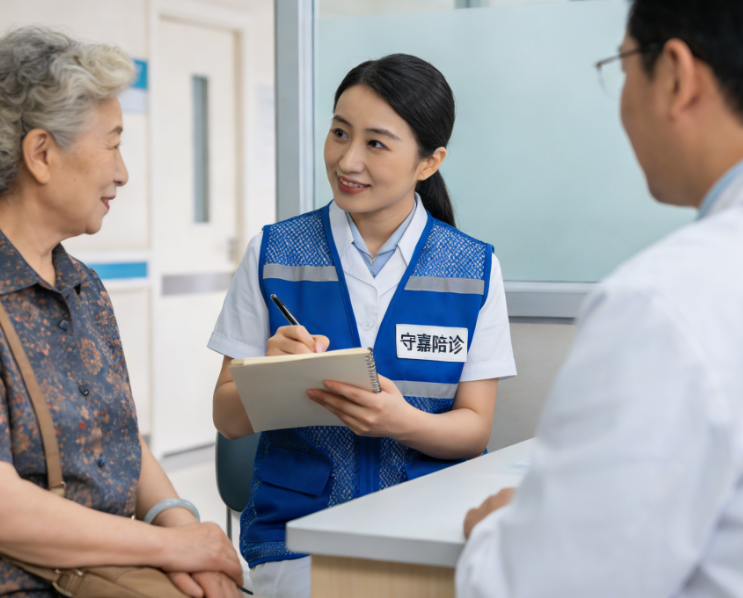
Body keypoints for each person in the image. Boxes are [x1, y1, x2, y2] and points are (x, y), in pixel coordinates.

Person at [457, 0, 743, 596]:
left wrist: (500, 531)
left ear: (678, 77)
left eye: (624, 66)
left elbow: (540, 585)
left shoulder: (669, 303)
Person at [0, 27, 243, 598]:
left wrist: (188, 534)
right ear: (41, 154)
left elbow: (121, 438)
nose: (123, 172)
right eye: (113, 142)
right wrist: (170, 548)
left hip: (99, 571)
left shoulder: (82, 285)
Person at [209, 53, 516, 598]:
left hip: (428, 532)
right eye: (339, 133)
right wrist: (267, 374)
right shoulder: (275, 253)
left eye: (375, 143)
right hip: (298, 542)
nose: (347, 160)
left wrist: (402, 421)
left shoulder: (472, 267)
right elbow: (227, 419)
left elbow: (475, 428)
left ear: (429, 161)